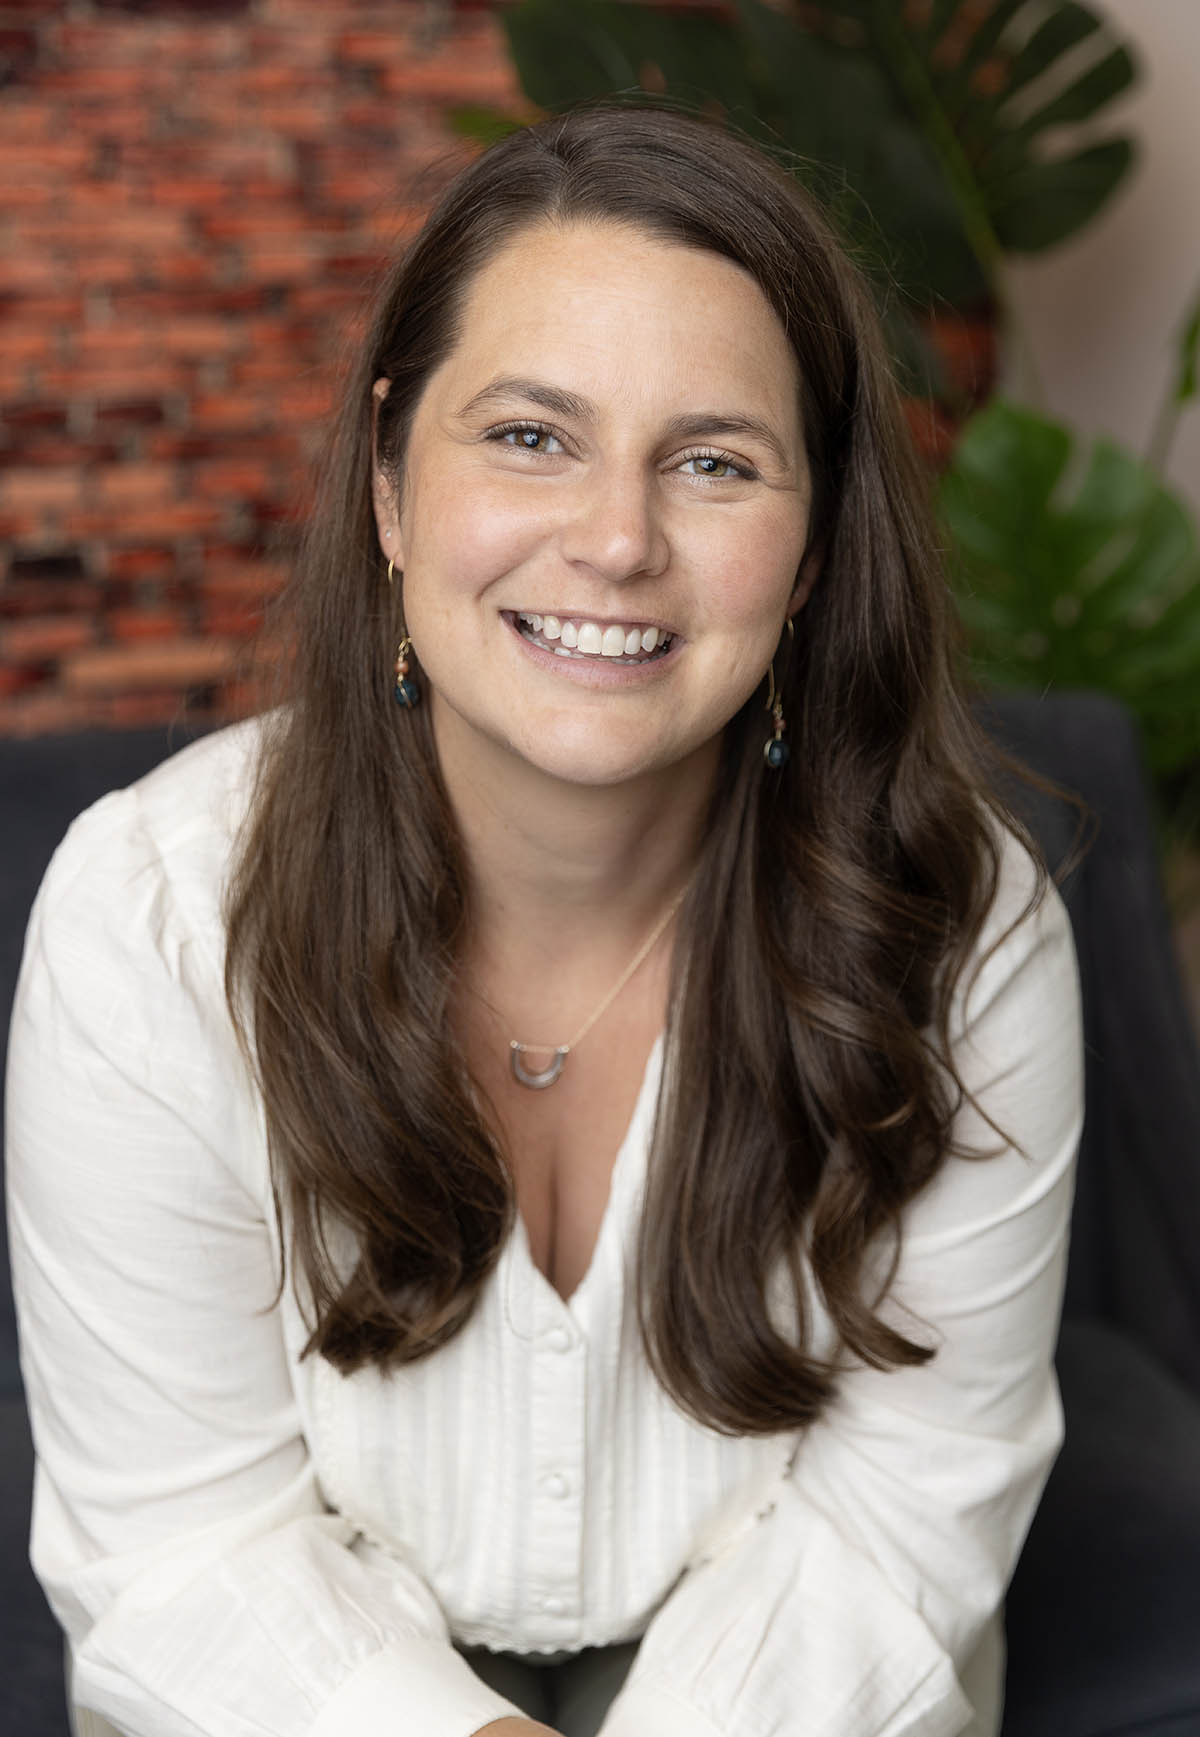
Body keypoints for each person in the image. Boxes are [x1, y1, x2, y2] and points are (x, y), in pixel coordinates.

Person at [5, 102, 1083, 1737]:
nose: (617, 538)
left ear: (806, 553)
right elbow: (184, 1552)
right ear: (389, 481)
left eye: (713, 460)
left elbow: (903, 1518)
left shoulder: (967, 933)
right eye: (529, 436)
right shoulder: (143, 918)